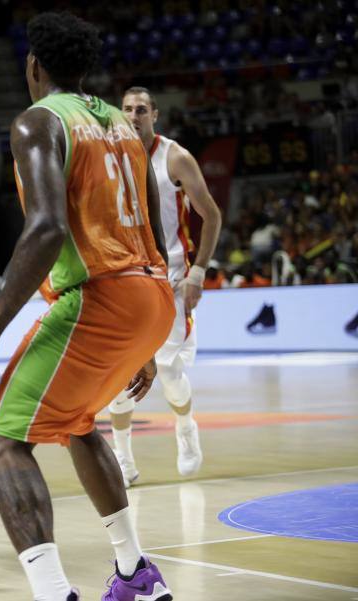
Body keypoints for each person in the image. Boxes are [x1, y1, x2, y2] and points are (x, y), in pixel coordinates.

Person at [0, 13, 175, 601]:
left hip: (102, 294)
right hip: (154, 292)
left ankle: (53, 593)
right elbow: (152, 220)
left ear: (33, 66)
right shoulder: (125, 127)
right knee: (77, 424)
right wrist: (142, 341)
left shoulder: (38, 122)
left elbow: (46, 228)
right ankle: (136, 575)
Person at [108, 88, 222, 486]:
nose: (134, 115)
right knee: (120, 374)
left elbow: (211, 215)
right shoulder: (108, 156)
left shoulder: (175, 157)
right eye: (127, 109)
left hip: (171, 280)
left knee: (170, 375)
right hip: (124, 280)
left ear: (154, 114)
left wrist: (199, 272)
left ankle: (186, 427)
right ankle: (123, 459)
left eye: (141, 109)